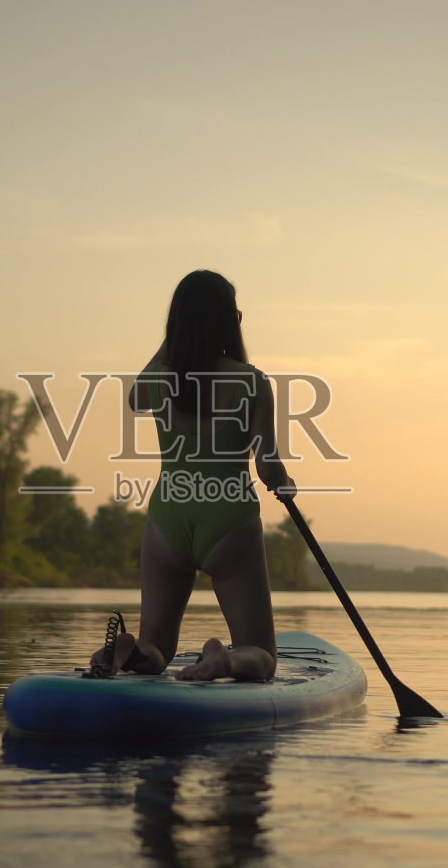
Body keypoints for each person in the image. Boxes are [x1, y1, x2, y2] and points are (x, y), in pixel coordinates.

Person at [90, 270, 295, 682]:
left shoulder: (160, 379)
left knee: (158, 648)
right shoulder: (251, 382)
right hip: (228, 521)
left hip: (168, 519)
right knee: (263, 656)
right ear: (227, 320)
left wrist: (176, 337)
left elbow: (134, 400)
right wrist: (284, 484)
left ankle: (133, 651)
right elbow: (267, 464)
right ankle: (227, 660)